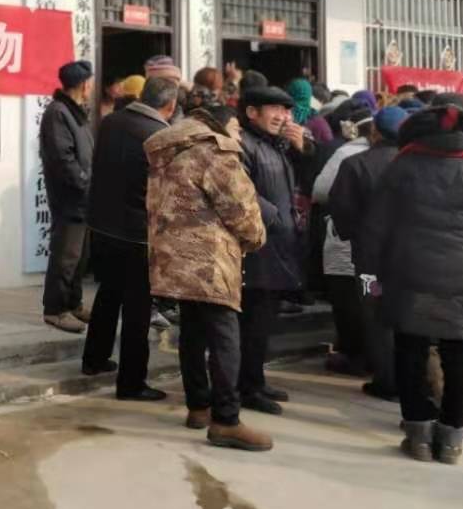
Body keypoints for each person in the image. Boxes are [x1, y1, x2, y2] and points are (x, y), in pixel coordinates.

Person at [368, 105, 463, 464]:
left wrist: (373, 274)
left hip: (407, 273)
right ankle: (451, 441)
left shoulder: (401, 167)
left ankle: (418, 435)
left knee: (410, 353)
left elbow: (375, 229)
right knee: (460, 353)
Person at [145, 104, 270, 451]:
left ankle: (198, 407)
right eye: (237, 128)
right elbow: (241, 210)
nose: (239, 136)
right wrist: (256, 238)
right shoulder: (215, 152)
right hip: (210, 260)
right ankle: (226, 420)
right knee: (225, 336)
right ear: (220, 125)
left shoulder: (167, 148)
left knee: (192, 332)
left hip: (174, 258)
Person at [80, 75, 178, 399]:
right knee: (137, 310)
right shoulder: (161, 135)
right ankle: (131, 383)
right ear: (170, 105)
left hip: (102, 226)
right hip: (138, 234)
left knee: (108, 294)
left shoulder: (111, 122)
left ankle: (94, 359)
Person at [237, 85, 311, 415]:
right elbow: (242, 190)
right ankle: (246, 386)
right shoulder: (244, 143)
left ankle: (255, 379)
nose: (282, 116)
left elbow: (304, 182)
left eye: (286, 110)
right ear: (252, 112)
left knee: (264, 321)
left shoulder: (276, 145)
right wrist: (275, 217)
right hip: (257, 247)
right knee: (252, 321)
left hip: (280, 245)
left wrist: (302, 150)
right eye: (275, 109)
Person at [330, 106, 408, 400]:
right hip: (409, 256)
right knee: (406, 315)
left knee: (375, 314)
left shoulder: (355, 164)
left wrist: (354, 235)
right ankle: (410, 379)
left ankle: (386, 379)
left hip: (368, 260)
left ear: (374, 132)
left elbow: (341, 210)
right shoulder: (416, 164)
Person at [310, 108, 372, 377]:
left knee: (348, 303)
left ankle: (353, 356)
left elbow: (320, 191)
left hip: (345, 243)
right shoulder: (403, 156)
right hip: (382, 248)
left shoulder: (346, 154)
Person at [41, 60, 95, 333]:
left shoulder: (76, 112)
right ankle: (55, 309)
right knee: (65, 255)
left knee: (80, 257)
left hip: (84, 198)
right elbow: (64, 160)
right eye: (90, 82)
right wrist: (85, 185)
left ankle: (74, 303)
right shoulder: (58, 113)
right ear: (84, 84)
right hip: (70, 197)